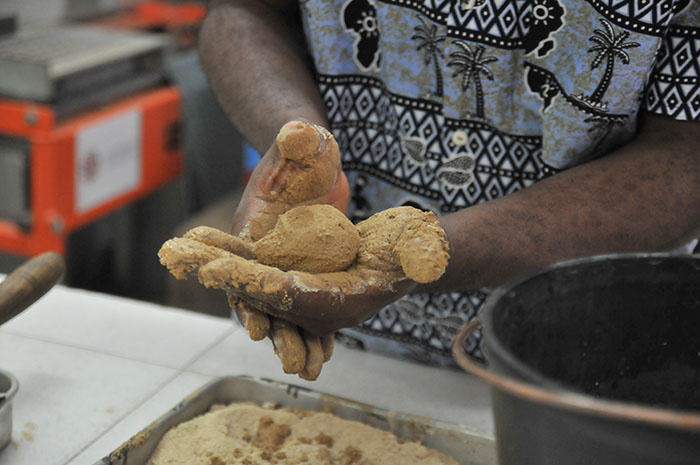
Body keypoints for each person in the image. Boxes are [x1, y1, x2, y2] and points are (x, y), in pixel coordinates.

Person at [196, 0, 700, 371]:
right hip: (352, 352)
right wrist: (300, 144)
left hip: (583, 364)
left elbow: (685, 154)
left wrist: (420, 255)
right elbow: (241, 12)